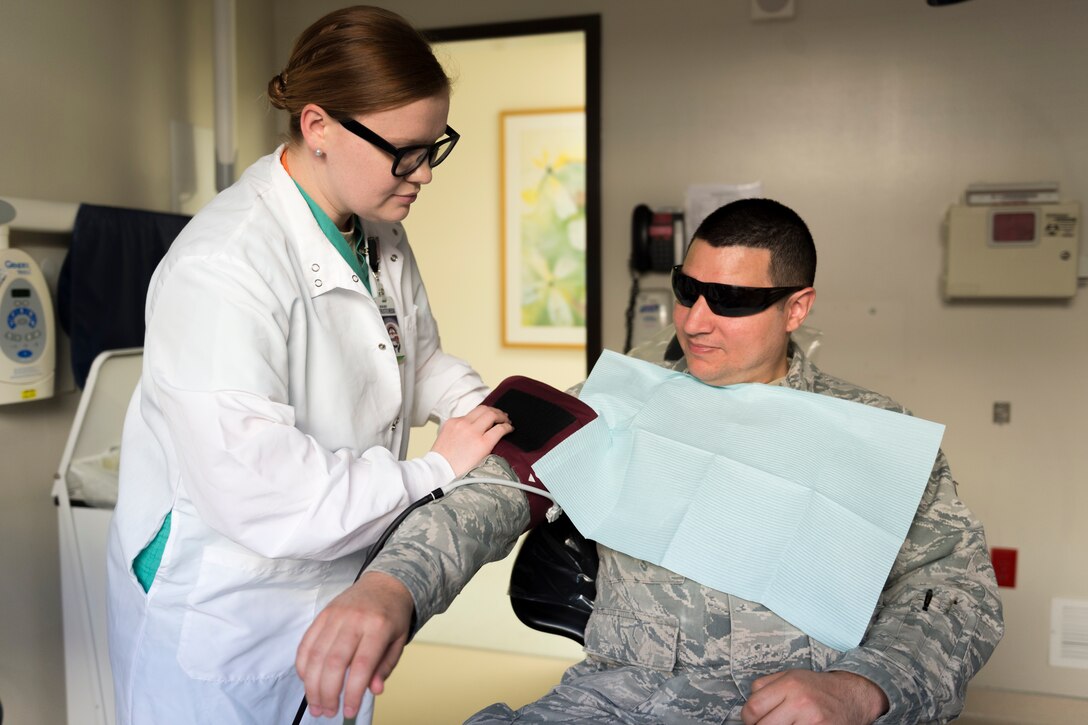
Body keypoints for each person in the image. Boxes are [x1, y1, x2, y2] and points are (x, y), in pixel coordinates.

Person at [295, 198, 1004, 724]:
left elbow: (958, 596)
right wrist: (393, 583)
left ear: (798, 307)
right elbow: (487, 493)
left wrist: (864, 688)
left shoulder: (874, 435)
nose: (693, 319)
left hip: (787, 704)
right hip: (613, 699)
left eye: (729, 300)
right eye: (687, 289)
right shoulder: (612, 402)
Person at [105, 6, 514, 724]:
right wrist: (436, 469)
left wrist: (480, 410)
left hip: (333, 585)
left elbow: (413, 357)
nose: (422, 173)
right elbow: (263, 489)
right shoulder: (224, 266)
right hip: (229, 610)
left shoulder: (376, 229)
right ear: (319, 125)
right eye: (404, 151)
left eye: (433, 146)